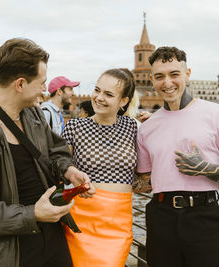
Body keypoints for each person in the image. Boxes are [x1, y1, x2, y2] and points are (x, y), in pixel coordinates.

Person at [0, 38, 95, 267]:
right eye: (41, 82)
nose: (45, 89)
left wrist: (69, 170)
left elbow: (55, 149)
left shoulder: (32, 114)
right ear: (20, 84)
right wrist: (32, 214)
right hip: (11, 252)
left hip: (52, 238)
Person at [136, 46, 219, 267]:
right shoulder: (146, 127)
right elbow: (145, 182)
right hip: (160, 217)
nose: (167, 83)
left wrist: (204, 168)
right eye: (159, 76)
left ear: (187, 74)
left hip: (204, 217)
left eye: (174, 74)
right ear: (152, 79)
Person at [62, 68, 137, 267]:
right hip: (81, 217)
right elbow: (60, 167)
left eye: (109, 94)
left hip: (118, 221)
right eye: (97, 90)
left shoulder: (133, 127)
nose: (99, 97)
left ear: (123, 101)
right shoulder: (74, 127)